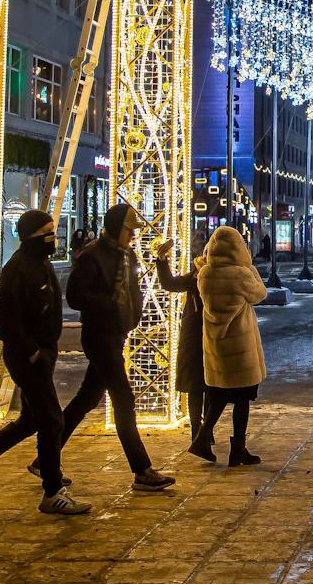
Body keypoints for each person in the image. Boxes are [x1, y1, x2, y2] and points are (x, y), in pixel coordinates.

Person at [0, 211, 89, 516]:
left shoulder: (40, 263)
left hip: (42, 353)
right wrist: (33, 351)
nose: (54, 238)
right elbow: (9, 319)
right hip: (29, 357)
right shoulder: (18, 268)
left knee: (31, 421)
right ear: (32, 236)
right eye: (48, 232)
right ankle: (53, 491)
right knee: (52, 419)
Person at [58, 204, 176, 491]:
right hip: (100, 336)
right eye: (128, 230)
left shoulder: (126, 254)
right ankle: (142, 469)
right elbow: (74, 296)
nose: (132, 236)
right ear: (115, 228)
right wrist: (108, 302)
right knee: (123, 399)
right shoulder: (92, 256)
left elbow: (132, 288)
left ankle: (45, 455)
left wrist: (131, 315)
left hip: (117, 334)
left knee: (86, 399)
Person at [193, 225, 267, 465]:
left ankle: (203, 437)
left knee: (219, 395)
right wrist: (251, 269)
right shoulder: (241, 274)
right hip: (240, 346)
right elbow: (260, 294)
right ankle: (238, 450)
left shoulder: (205, 273)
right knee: (243, 399)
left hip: (216, 344)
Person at [152, 233, 207, 447]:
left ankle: (205, 430)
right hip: (195, 336)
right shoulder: (195, 276)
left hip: (214, 335)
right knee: (196, 386)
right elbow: (169, 283)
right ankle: (197, 430)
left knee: (210, 388)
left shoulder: (222, 275)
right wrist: (162, 260)